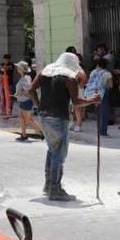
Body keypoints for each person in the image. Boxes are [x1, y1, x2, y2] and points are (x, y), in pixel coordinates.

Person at [30, 52, 98, 201]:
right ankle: (55, 189)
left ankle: (49, 185)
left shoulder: (45, 72)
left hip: (43, 117)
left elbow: (31, 90)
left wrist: (38, 106)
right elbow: (76, 101)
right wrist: (92, 100)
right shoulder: (69, 78)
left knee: (52, 150)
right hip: (58, 119)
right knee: (58, 154)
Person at [13, 61, 43, 142]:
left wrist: (19, 93)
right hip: (24, 100)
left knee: (28, 119)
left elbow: (28, 90)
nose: (17, 68)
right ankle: (24, 135)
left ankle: (41, 132)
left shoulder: (25, 78)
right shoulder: (25, 77)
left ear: (21, 69)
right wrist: (18, 93)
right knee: (22, 117)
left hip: (26, 101)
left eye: (18, 67)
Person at [84, 56, 113, 138]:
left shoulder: (93, 72)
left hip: (94, 93)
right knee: (104, 113)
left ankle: (99, 130)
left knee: (98, 113)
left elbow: (89, 82)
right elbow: (111, 85)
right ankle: (103, 132)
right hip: (103, 93)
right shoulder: (107, 74)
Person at [66, 46, 89, 131]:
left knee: (77, 107)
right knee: (71, 107)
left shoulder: (78, 65)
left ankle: (78, 125)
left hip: (78, 88)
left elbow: (83, 78)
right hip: (72, 88)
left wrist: (80, 85)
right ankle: (72, 122)